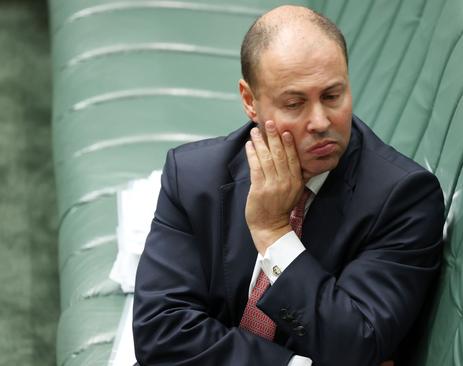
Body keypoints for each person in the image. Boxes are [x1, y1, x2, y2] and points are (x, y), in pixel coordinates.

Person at [133, 5, 444, 366]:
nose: (320, 121)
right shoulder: (193, 177)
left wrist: (274, 233)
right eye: (295, 104)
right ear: (251, 102)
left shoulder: (403, 198)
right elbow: (161, 333)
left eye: (332, 96)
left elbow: (355, 344)